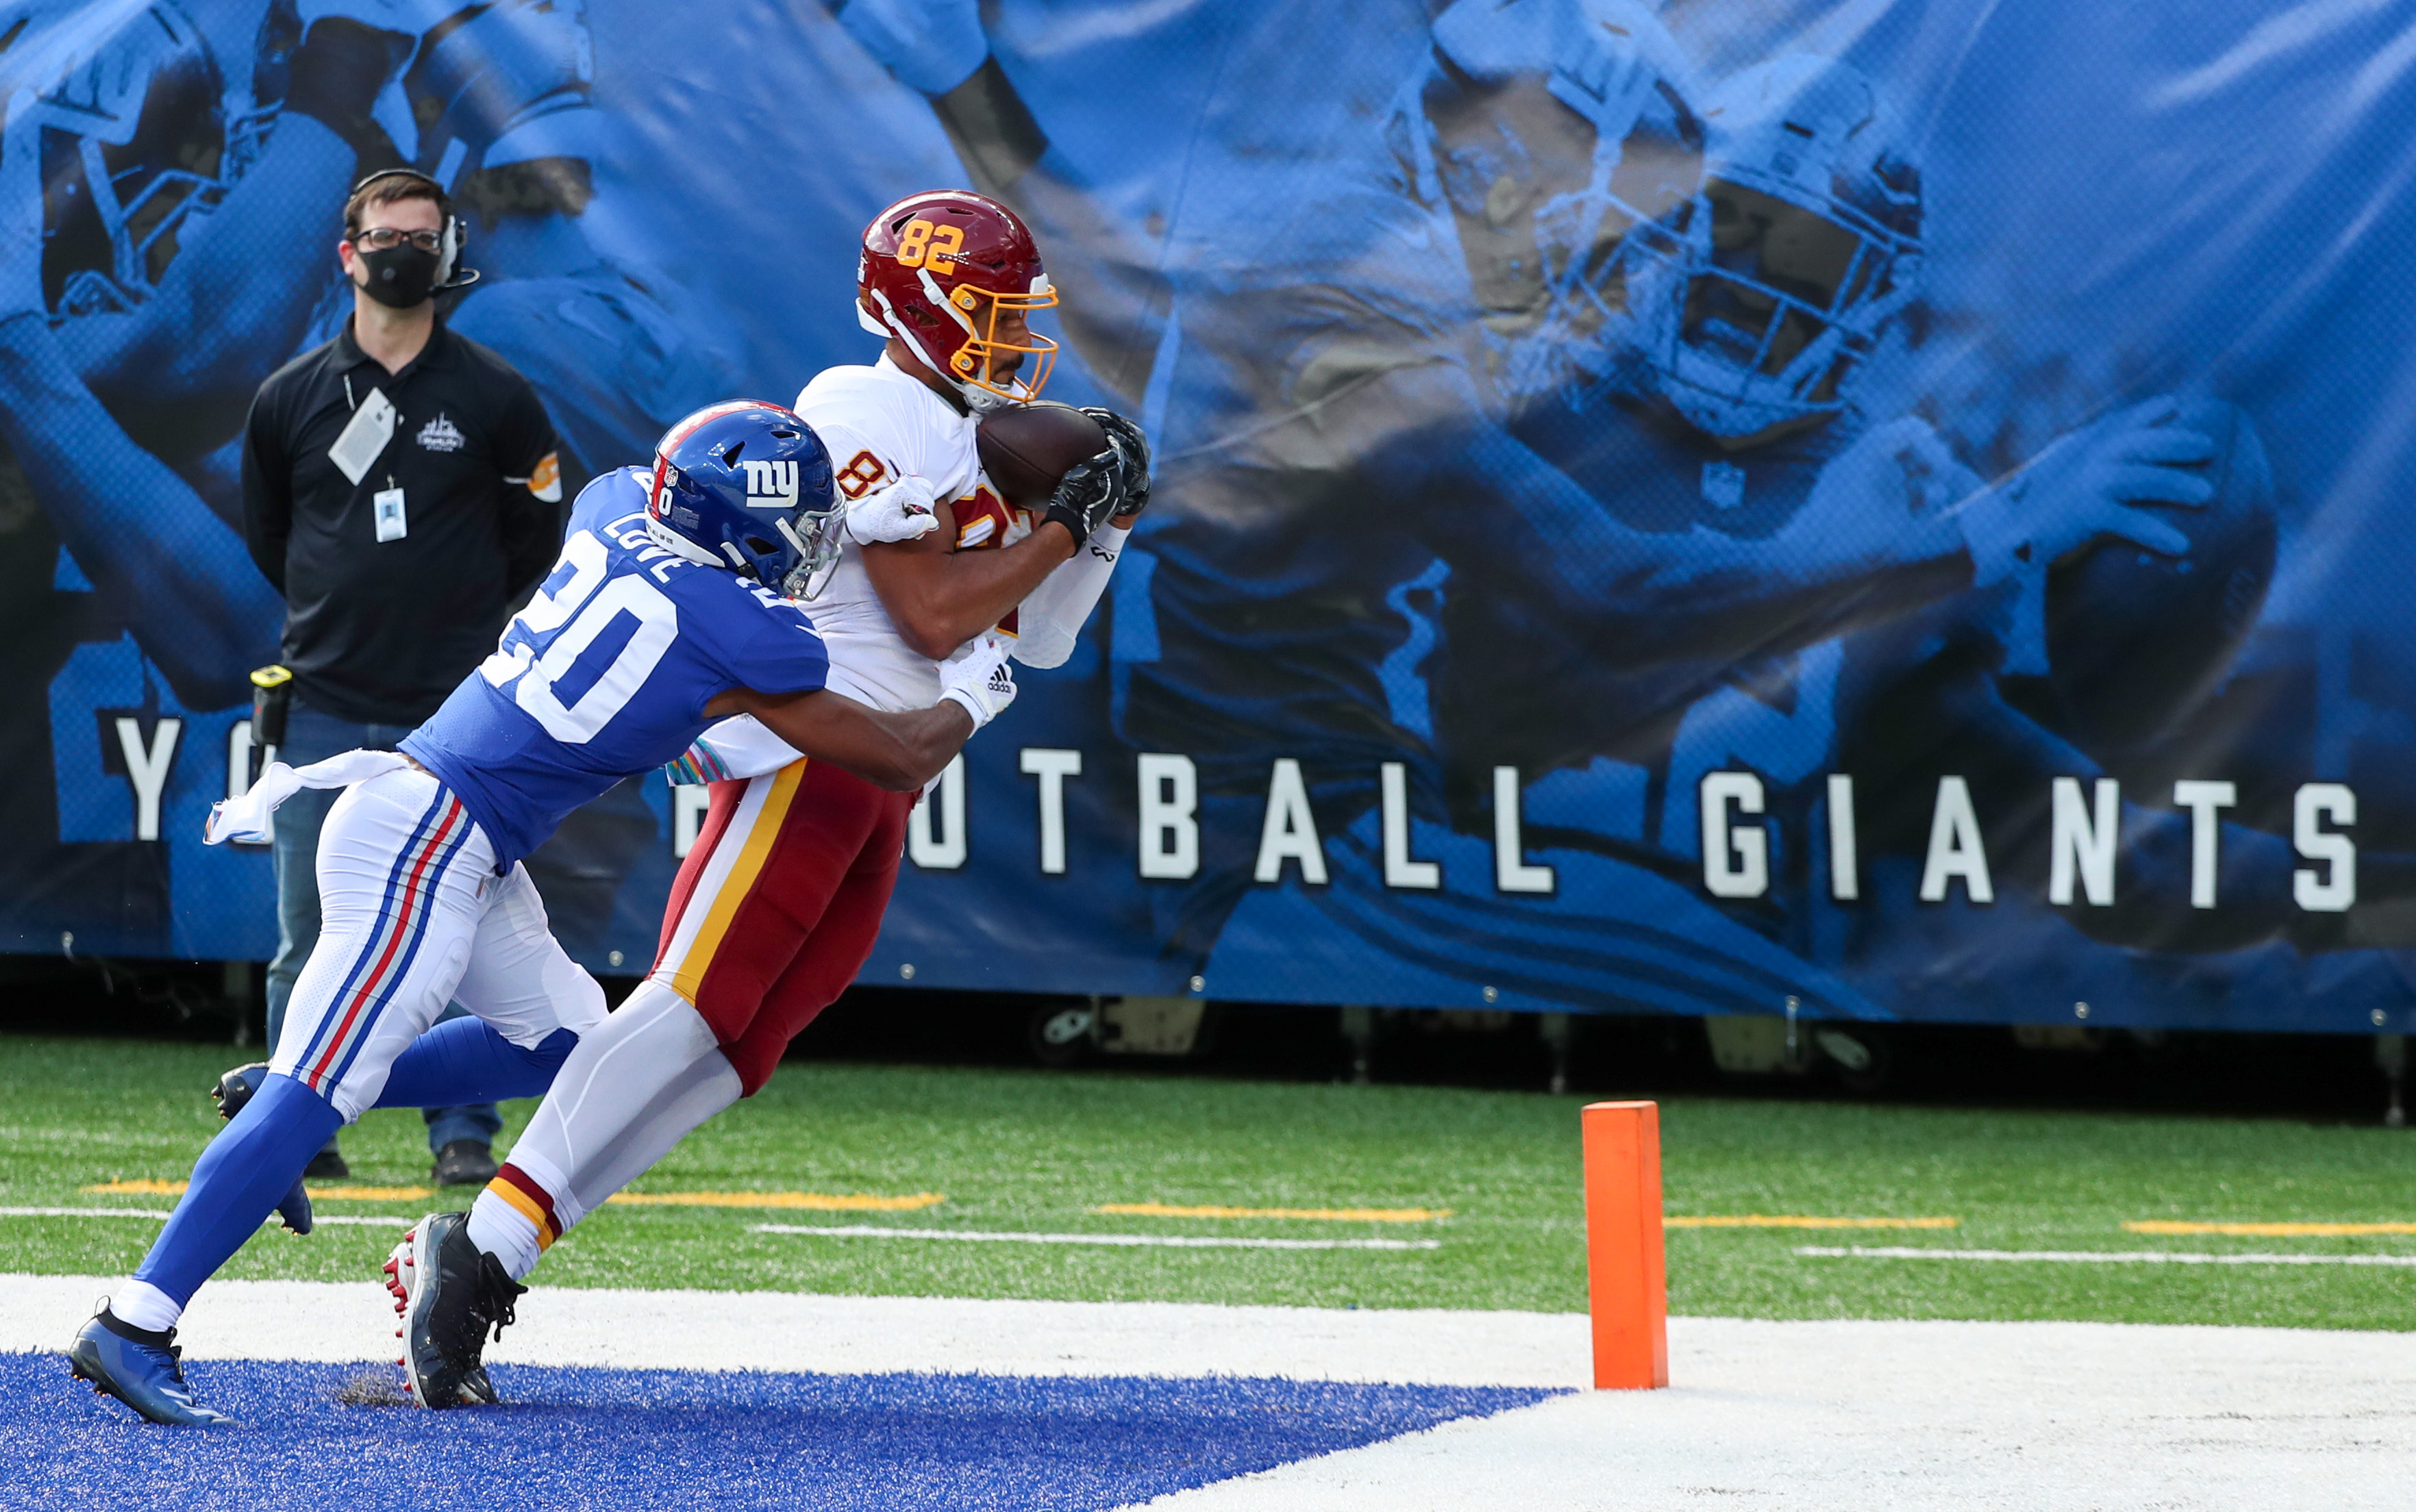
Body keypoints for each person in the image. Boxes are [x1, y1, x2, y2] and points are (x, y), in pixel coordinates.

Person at [66, 400, 1018, 1425]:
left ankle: (283, 1107)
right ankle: (134, 1323)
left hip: (453, 831)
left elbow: (660, 520)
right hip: (428, 837)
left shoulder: (611, 507)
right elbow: (905, 751)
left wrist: (841, 527)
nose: (813, 548)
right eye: (803, 529)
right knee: (319, 1087)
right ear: (743, 529)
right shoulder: (748, 635)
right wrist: (978, 687)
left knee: (574, 1048)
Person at [383, 189, 1145, 1410]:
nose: (1012, 341)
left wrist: (1103, 527)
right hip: (812, 743)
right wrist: (1059, 522)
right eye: (992, 314)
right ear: (922, 304)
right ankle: (477, 1251)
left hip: (883, 767)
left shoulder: (960, 427)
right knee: (689, 1006)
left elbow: (1035, 641)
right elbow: (934, 614)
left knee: (742, 1043)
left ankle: (488, 1247)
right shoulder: (866, 404)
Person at [236, 166, 566, 1185]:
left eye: (423, 237)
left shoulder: (496, 395)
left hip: (460, 714)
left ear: (448, 250)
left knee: (465, 933)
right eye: (386, 236)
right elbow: (270, 537)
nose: (402, 252)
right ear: (348, 252)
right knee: (312, 931)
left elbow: (540, 534)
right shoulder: (288, 397)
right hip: (327, 698)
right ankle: (298, 1131)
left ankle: (463, 1135)